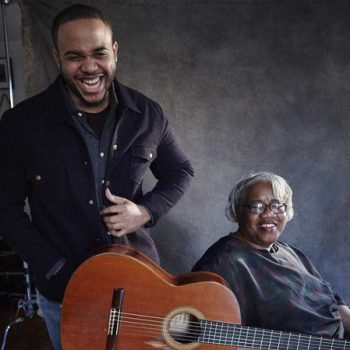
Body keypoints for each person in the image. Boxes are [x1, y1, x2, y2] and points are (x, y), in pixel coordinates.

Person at [0, 4, 193, 349]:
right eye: (75, 57)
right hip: (65, 294)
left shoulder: (147, 114)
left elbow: (180, 171)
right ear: (57, 58)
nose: (90, 67)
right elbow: (5, 210)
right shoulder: (20, 125)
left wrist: (145, 212)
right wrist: (57, 270)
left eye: (99, 53)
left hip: (140, 285)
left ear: (114, 52)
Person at [193, 172, 350, 339]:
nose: (268, 214)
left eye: (277, 205)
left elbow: (332, 301)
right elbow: (206, 334)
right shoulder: (222, 263)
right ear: (238, 211)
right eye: (256, 206)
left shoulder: (290, 252)